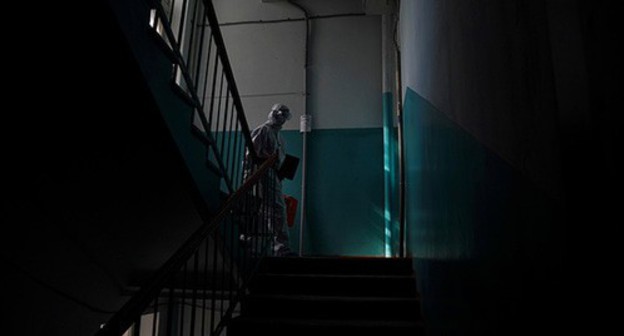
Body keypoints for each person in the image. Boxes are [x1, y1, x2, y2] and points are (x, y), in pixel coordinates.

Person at [245, 103, 295, 257]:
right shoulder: (263, 131)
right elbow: (250, 156)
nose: (281, 120)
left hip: (274, 176)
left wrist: (282, 170)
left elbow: (280, 159)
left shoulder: (279, 137)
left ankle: (259, 249)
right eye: (280, 116)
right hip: (262, 174)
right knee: (275, 211)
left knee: (267, 213)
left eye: (284, 118)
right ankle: (281, 250)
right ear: (274, 115)